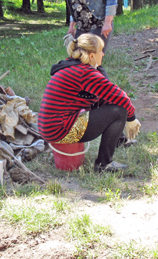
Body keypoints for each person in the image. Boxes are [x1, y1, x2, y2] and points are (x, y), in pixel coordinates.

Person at [38, 34, 141, 172]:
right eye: (101, 50)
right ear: (92, 56)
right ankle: (104, 164)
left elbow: (106, 96)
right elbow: (120, 97)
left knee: (113, 107)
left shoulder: (73, 67)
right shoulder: (84, 72)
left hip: (51, 128)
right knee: (119, 111)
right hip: (60, 130)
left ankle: (114, 146)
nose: (103, 54)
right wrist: (131, 119)